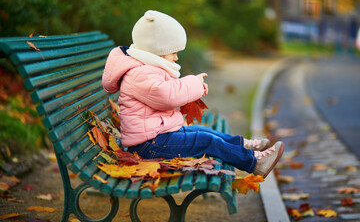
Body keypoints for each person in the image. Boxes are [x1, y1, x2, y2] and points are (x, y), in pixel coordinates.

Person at [102, 10, 284, 178]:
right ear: (157, 52)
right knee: (206, 141)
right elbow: (168, 96)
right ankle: (255, 162)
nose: (176, 58)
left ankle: (244, 146)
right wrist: (194, 84)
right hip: (148, 147)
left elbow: (168, 91)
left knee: (202, 131)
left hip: (159, 136)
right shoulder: (139, 74)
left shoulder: (145, 69)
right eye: (173, 53)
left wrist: (193, 85)